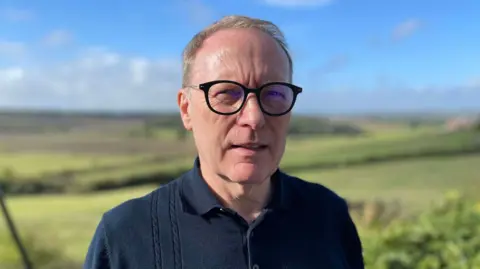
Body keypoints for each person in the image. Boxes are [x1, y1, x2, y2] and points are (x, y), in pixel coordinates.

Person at [83, 15, 364, 269]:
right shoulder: (124, 235)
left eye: (275, 94)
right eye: (227, 93)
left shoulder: (328, 215)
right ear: (186, 109)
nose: (253, 118)